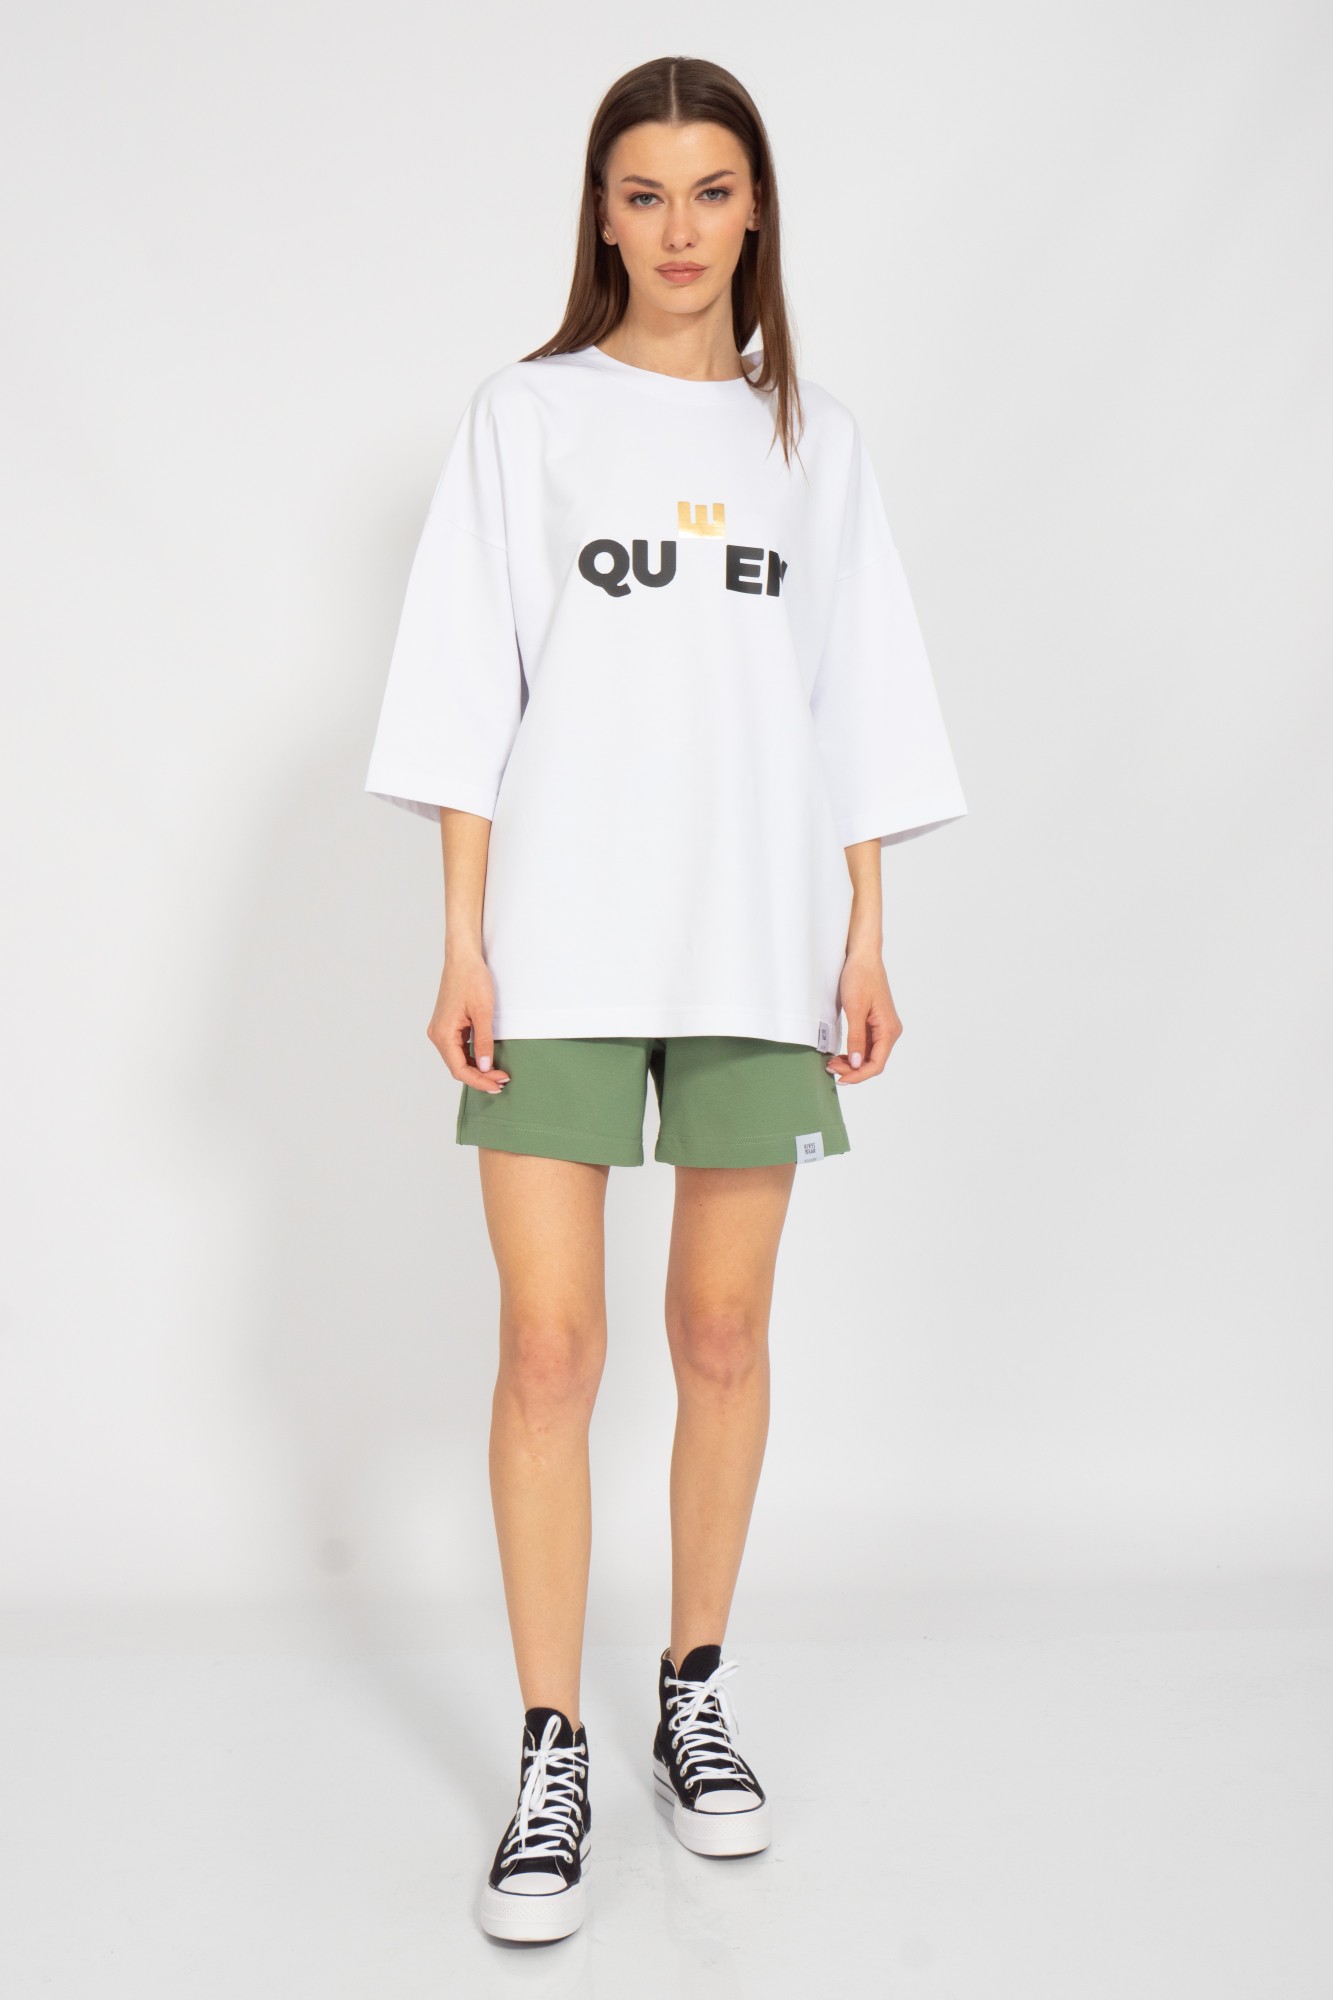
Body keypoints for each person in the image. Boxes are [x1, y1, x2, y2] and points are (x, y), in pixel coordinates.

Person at [363, 53, 967, 1945]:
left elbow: (855, 703)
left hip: (755, 941)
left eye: (711, 190)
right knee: (549, 1350)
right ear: (600, 216)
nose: (679, 228)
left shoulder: (814, 443)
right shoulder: (526, 418)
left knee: (719, 1331)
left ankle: (688, 1689)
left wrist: (864, 934)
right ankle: (549, 1743)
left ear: (754, 208)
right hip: (553, 941)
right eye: (644, 193)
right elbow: (464, 689)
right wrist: (462, 940)